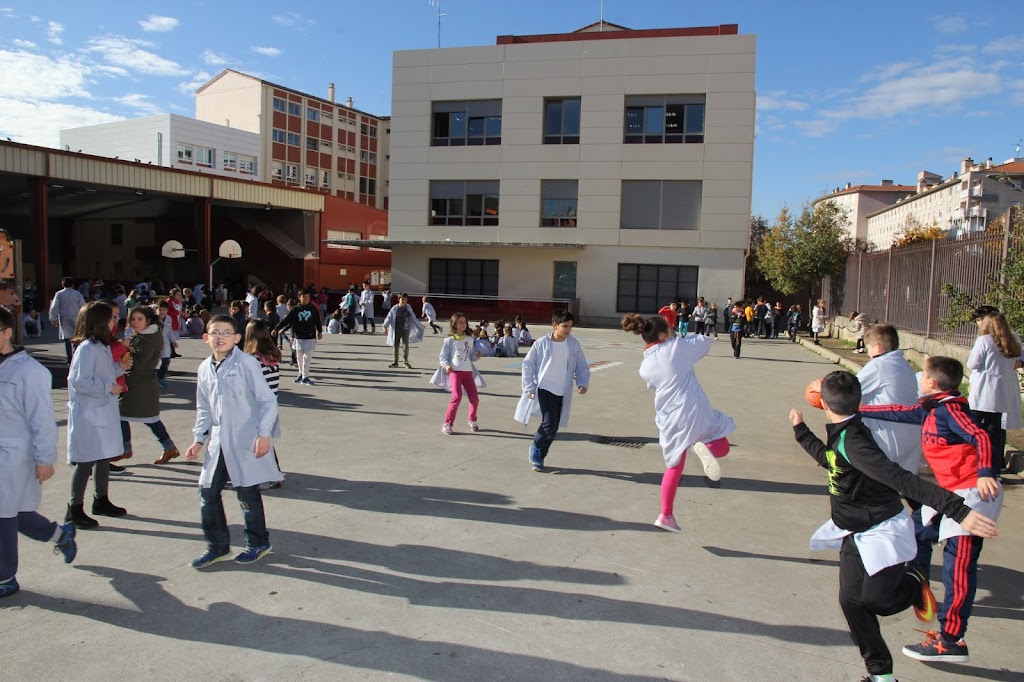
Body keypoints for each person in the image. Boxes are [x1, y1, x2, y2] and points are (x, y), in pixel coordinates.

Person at [791, 370, 998, 681]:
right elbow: (830, 459)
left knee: (879, 602)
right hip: (853, 531)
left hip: (881, 530)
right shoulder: (843, 433)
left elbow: (901, 479)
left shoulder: (856, 443)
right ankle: (881, 675)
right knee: (851, 602)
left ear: (823, 403)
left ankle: (914, 581)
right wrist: (801, 431)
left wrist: (959, 510)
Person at [859, 356, 1002, 663]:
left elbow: (981, 436)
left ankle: (951, 639)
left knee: (958, 567)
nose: (919, 380)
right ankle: (917, 583)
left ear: (933, 383)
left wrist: (987, 471)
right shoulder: (930, 409)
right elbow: (895, 411)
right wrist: (854, 408)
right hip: (950, 494)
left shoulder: (951, 410)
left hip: (974, 493)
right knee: (915, 532)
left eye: (922, 376)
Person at [622, 313, 733, 533]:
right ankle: (706, 448)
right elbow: (705, 342)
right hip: (693, 408)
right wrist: (680, 338)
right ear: (664, 334)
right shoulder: (677, 347)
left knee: (674, 465)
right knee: (721, 443)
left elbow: (653, 381)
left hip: (669, 416)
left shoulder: (645, 365)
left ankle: (666, 515)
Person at [185, 315, 281, 568]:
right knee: (207, 492)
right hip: (218, 442)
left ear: (237, 338)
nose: (220, 337)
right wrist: (198, 439)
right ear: (206, 338)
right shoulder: (205, 368)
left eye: (226, 332)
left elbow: (267, 400)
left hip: (245, 439)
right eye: (215, 332)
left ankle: (258, 542)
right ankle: (217, 546)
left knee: (247, 493)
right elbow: (203, 407)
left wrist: (263, 434)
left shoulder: (247, 363)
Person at [0, 306, 78, 599]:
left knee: (3, 515)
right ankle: (61, 534)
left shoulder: (29, 372)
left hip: (13, 455)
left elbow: (42, 420)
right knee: (15, 513)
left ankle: (5, 577)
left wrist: (46, 459)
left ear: (7, 333)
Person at [65, 301, 132, 529]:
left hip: (102, 411)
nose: (115, 322)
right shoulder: (86, 349)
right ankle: (74, 509)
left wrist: (119, 368)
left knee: (103, 456)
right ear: (99, 322)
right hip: (88, 414)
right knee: (85, 460)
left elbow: (103, 373)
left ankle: (100, 500)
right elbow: (79, 381)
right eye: (111, 318)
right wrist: (107, 387)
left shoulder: (101, 346)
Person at [514, 310, 590, 472]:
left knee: (554, 427)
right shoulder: (542, 343)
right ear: (554, 326)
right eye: (565, 326)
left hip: (562, 390)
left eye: (570, 326)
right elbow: (528, 364)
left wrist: (582, 383)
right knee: (549, 424)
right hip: (545, 388)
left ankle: (541, 455)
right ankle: (536, 447)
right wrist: (528, 386)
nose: (568, 330)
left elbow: (581, 365)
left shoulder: (573, 344)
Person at [856, 325, 922, 473]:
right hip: (912, 434)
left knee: (876, 482)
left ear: (877, 347)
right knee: (907, 484)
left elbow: (849, 389)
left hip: (889, 434)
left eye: (868, 347)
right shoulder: (903, 364)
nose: (868, 352)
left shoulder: (878, 365)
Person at [966, 308, 1023, 476]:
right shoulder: (1011, 341)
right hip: (1000, 394)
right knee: (994, 432)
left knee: (972, 428)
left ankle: (972, 464)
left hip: (983, 391)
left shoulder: (984, 341)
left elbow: (972, 364)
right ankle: (994, 469)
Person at [120, 306, 179, 465]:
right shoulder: (138, 335)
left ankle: (127, 448)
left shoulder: (151, 337)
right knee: (124, 415)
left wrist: (124, 349)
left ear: (148, 320)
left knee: (148, 418)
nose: (135, 322)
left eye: (140, 319)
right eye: (133, 319)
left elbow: (138, 362)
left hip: (142, 385)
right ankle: (126, 448)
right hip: (134, 383)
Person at [244, 320, 285, 491]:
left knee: (257, 442)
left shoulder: (252, 359)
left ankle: (264, 477)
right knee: (264, 440)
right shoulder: (272, 355)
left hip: (257, 406)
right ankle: (274, 473)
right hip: (271, 403)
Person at [431, 313, 485, 435]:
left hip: (468, 372)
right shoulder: (449, 341)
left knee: (474, 399)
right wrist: (447, 365)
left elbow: (470, 356)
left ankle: (472, 419)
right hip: (455, 372)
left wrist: (476, 356)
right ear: (454, 324)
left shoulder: (470, 340)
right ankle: (447, 423)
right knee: (456, 397)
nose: (463, 324)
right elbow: (443, 356)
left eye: (465, 322)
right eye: (460, 322)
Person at [273, 289, 323, 386]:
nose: (306, 299)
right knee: (299, 357)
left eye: (308, 297)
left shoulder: (313, 308)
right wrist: (277, 328)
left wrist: (320, 331)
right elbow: (286, 320)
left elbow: (317, 320)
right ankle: (300, 374)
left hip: (310, 336)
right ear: (299, 297)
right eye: (304, 297)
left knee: (307, 357)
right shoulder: (296, 309)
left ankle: (305, 376)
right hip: (298, 336)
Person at [49, 277, 86, 364]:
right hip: (76, 317)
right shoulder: (77, 294)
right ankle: (76, 357)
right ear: (72, 284)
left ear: (62, 284)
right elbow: (83, 306)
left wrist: (53, 318)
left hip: (64, 317)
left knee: (67, 338)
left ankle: (69, 359)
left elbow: (54, 307)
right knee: (76, 338)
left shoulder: (59, 294)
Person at [382, 292, 424, 369]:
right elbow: (389, 317)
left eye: (405, 299)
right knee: (396, 346)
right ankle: (395, 362)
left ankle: (406, 362)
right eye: (402, 299)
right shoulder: (395, 308)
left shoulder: (408, 308)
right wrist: (385, 326)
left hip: (406, 329)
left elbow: (413, 317)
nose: (404, 301)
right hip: (396, 330)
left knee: (405, 346)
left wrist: (420, 325)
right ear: (399, 299)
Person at [156, 300, 173, 389]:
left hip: (165, 342)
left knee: (166, 361)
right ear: (156, 309)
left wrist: (173, 341)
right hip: (154, 343)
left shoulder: (169, 318)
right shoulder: (152, 319)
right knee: (151, 362)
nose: (162, 312)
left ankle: (160, 378)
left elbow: (169, 331)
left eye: (164, 309)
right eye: (160, 309)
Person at [166, 288, 184, 357]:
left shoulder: (179, 302)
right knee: (170, 336)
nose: (179, 296)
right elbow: (167, 311)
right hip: (171, 320)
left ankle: (173, 351)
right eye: (177, 295)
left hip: (177, 320)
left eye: (179, 295)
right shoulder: (169, 302)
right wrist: (176, 312)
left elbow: (180, 310)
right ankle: (170, 352)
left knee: (174, 337)